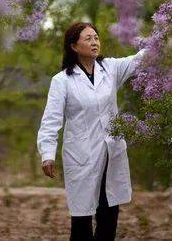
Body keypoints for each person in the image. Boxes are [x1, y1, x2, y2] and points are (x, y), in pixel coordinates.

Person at [37, 22, 146, 241]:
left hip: (110, 153)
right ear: (74, 46)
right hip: (81, 156)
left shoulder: (110, 69)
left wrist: (163, 37)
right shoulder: (62, 81)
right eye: (88, 38)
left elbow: (139, 60)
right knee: (82, 219)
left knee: (109, 214)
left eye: (96, 37)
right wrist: (47, 154)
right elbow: (51, 120)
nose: (94, 42)